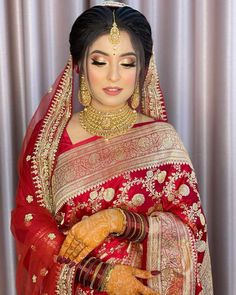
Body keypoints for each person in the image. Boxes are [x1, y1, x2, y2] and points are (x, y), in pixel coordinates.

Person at [11, 1, 213, 294]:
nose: (114, 76)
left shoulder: (163, 141)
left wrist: (117, 220)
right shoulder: (49, 143)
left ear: (143, 68)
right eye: (100, 61)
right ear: (79, 65)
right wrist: (99, 274)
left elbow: (191, 232)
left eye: (127, 63)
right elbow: (30, 225)